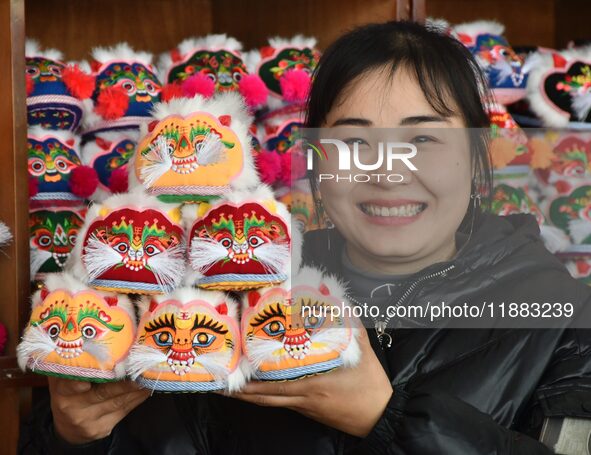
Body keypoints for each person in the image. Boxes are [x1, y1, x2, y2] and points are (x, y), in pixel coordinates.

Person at [19, 21, 591, 455]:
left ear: (474, 158)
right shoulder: (232, 287)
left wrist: (385, 418)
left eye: (423, 141)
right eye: (353, 142)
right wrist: (74, 434)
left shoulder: (561, 317)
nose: (388, 173)